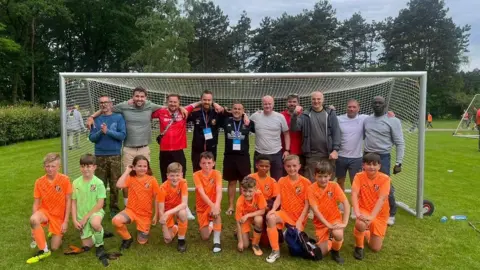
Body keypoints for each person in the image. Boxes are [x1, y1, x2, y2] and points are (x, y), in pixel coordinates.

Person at [364, 96, 404, 226]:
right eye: (375, 103)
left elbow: (399, 142)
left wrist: (399, 162)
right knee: (367, 184)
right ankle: (370, 209)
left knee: (386, 186)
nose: (377, 105)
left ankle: (391, 213)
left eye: (380, 103)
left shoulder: (393, 120)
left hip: (383, 156)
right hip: (368, 155)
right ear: (371, 105)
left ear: (385, 105)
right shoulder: (367, 120)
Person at [27, 153, 72, 264]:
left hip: (58, 216)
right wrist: (33, 227)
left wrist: (65, 221)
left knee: (55, 247)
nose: (50, 169)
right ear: (44, 167)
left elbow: (69, 201)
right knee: (33, 219)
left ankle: (56, 233)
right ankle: (44, 250)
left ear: (58, 167)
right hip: (45, 212)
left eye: (53, 166)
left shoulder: (65, 180)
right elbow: (36, 202)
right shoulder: (39, 182)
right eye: (47, 166)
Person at [265, 155, 310, 263]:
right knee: (270, 218)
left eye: (294, 166)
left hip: (298, 218)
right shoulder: (281, 180)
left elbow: (307, 205)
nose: (292, 169)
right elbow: (279, 198)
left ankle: (287, 233)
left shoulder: (306, 182)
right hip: (284, 214)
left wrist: (300, 220)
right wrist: (273, 210)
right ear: (284, 167)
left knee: (296, 251)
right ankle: (275, 251)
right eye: (288, 166)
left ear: (299, 166)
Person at [88, 94, 126, 217]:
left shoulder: (118, 117)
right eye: (101, 103)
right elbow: (92, 138)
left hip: (115, 155)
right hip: (99, 156)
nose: (104, 104)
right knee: (100, 183)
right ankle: (100, 207)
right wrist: (101, 132)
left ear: (111, 104)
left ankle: (114, 208)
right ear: (99, 105)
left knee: (115, 184)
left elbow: (122, 136)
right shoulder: (96, 119)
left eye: (106, 102)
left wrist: (108, 131)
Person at [291, 91, 341, 182]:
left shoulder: (330, 113)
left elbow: (336, 132)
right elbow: (294, 128)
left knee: (328, 181)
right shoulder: (305, 114)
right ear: (311, 100)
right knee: (311, 181)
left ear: (323, 100)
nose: (316, 101)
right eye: (314, 99)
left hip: (328, 155)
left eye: (318, 99)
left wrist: (335, 150)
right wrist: (294, 115)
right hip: (312, 155)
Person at [112, 155, 159, 250]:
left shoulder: (152, 180)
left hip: (145, 214)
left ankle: (142, 229)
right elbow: (118, 185)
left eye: (144, 166)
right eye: (139, 166)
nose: (142, 168)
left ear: (148, 167)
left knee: (141, 241)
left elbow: (158, 198)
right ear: (134, 167)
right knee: (116, 221)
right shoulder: (130, 177)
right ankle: (127, 239)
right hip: (131, 211)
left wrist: (156, 215)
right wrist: (127, 171)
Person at [308, 160, 350, 264]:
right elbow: (316, 211)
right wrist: (328, 225)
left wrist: (344, 223)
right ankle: (329, 240)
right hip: (321, 224)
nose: (323, 179)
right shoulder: (311, 189)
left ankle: (335, 252)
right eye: (320, 176)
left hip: (335, 219)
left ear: (330, 176)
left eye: (326, 176)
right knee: (318, 255)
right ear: (315, 176)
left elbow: (346, 204)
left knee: (338, 234)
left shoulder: (334, 186)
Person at [351, 153, 391, 260]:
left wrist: (372, 217)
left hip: (380, 213)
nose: (372, 167)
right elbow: (354, 194)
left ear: (379, 166)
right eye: (368, 164)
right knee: (360, 223)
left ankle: (366, 233)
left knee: (375, 248)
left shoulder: (385, 179)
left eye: (375, 164)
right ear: (363, 165)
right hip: (364, 209)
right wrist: (358, 213)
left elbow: (382, 199)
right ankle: (359, 247)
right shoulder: (358, 176)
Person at [222, 101, 255, 215]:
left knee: (244, 182)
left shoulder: (247, 122)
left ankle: (243, 205)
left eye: (239, 109)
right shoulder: (226, 120)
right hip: (229, 156)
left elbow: (256, 129)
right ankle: (231, 206)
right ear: (232, 110)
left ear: (243, 111)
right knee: (231, 182)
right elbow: (221, 112)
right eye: (234, 108)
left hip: (243, 157)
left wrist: (247, 117)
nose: (236, 111)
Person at [71, 154, 107, 258]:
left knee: (95, 223)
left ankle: (100, 246)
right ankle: (100, 233)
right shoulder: (75, 182)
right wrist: (74, 220)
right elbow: (73, 202)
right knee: (86, 246)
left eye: (88, 166)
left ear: (94, 167)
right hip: (81, 215)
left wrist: (86, 217)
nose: (85, 169)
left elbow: (100, 204)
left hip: (95, 212)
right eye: (82, 166)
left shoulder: (99, 183)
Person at [250, 95, 290, 181]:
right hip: (260, 153)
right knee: (258, 180)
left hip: (276, 153)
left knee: (277, 180)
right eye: (265, 104)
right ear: (262, 104)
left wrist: (287, 150)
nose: (267, 106)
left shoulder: (280, 117)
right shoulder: (255, 116)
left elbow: (286, 133)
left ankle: (275, 195)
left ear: (273, 104)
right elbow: (245, 122)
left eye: (269, 104)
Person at [188, 90, 225, 172]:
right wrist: (197, 104)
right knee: (197, 173)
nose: (206, 102)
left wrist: (244, 115)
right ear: (201, 100)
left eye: (209, 100)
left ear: (212, 101)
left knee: (210, 174)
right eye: (204, 100)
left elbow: (232, 113)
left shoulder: (217, 113)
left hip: (211, 149)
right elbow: (183, 111)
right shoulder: (195, 113)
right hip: (197, 150)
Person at [192, 151, 223, 253]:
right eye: (204, 163)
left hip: (213, 205)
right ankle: (211, 225)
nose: (206, 165)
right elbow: (201, 192)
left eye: (209, 163)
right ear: (200, 164)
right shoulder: (196, 175)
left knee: (216, 213)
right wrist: (212, 205)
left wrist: (216, 205)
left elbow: (219, 190)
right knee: (205, 237)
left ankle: (217, 241)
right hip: (202, 207)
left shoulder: (217, 173)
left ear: (213, 163)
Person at [336, 99, 367, 192]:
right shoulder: (339, 119)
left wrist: (389, 115)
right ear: (346, 108)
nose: (351, 109)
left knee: (356, 182)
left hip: (356, 158)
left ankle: (356, 204)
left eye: (354, 107)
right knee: (340, 181)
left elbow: (377, 117)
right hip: (341, 156)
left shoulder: (364, 118)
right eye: (349, 107)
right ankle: (341, 203)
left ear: (358, 108)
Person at [157, 162, 189, 253]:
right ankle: (175, 227)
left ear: (181, 174)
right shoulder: (162, 188)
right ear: (167, 175)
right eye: (172, 175)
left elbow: (184, 204)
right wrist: (163, 224)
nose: (175, 178)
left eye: (177, 175)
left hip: (178, 209)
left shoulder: (183, 183)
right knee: (168, 240)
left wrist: (168, 213)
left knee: (183, 213)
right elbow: (161, 210)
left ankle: (181, 240)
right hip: (167, 211)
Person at [235, 176, 267, 256]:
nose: (247, 194)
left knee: (258, 219)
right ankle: (239, 234)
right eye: (244, 191)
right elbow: (238, 221)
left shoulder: (259, 194)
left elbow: (262, 211)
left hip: (254, 216)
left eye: (250, 191)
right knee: (245, 245)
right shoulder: (240, 202)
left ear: (255, 189)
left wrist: (248, 215)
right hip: (244, 220)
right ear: (241, 189)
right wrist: (240, 242)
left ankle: (255, 244)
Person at [280, 94, 304, 175]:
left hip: (299, 151)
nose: (292, 104)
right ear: (286, 103)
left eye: (294, 102)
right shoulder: (281, 115)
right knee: (285, 175)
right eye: (290, 102)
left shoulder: (303, 115)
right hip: (285, 151)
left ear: (298, 103)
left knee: (299, 175)